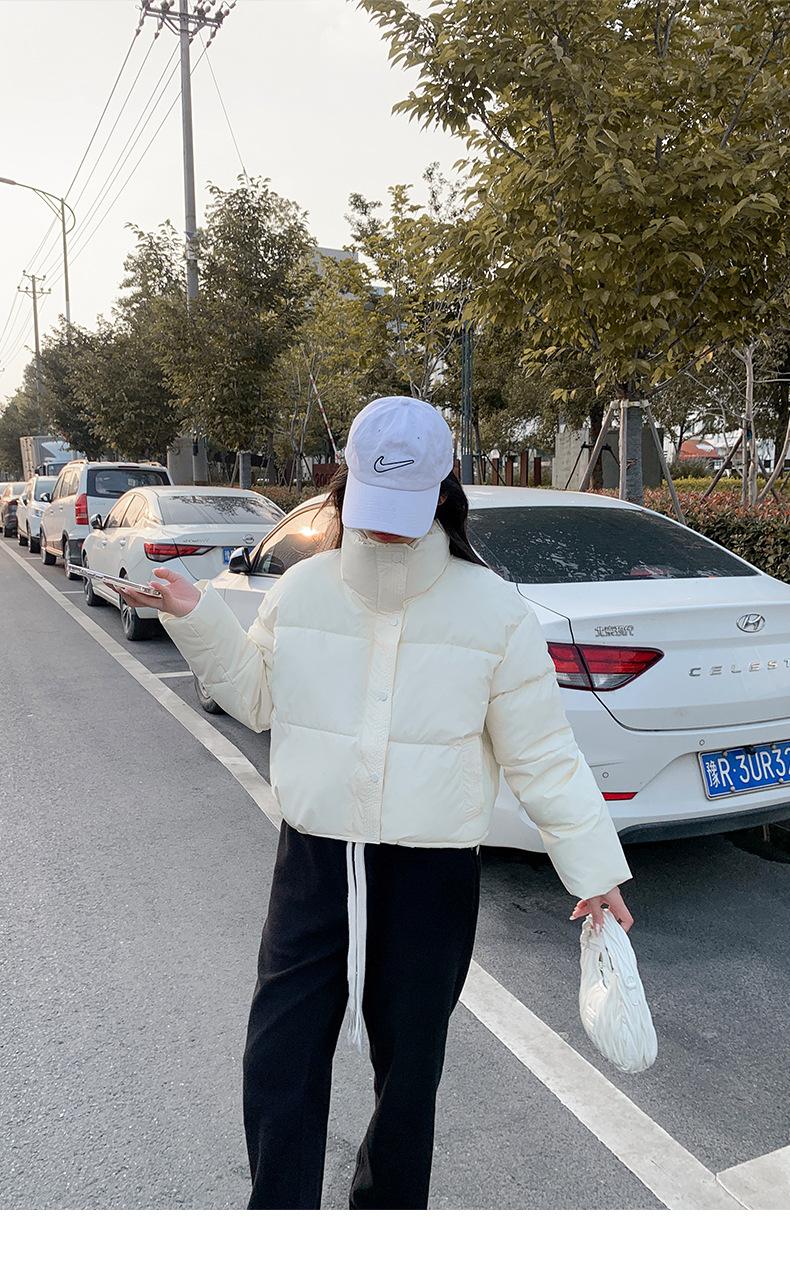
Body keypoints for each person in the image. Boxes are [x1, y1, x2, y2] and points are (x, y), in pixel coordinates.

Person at [115, 395, 634, 1211]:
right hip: (314, 865)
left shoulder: (494, 611)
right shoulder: (303, 591)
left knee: (409, 1074)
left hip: (432, 879)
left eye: (406, 505)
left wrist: (594, 869)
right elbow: (256, 699)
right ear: (344, 485)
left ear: (444, 488)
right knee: (278, 1059)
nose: (387, 529)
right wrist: (198, 616)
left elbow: (541, 753)